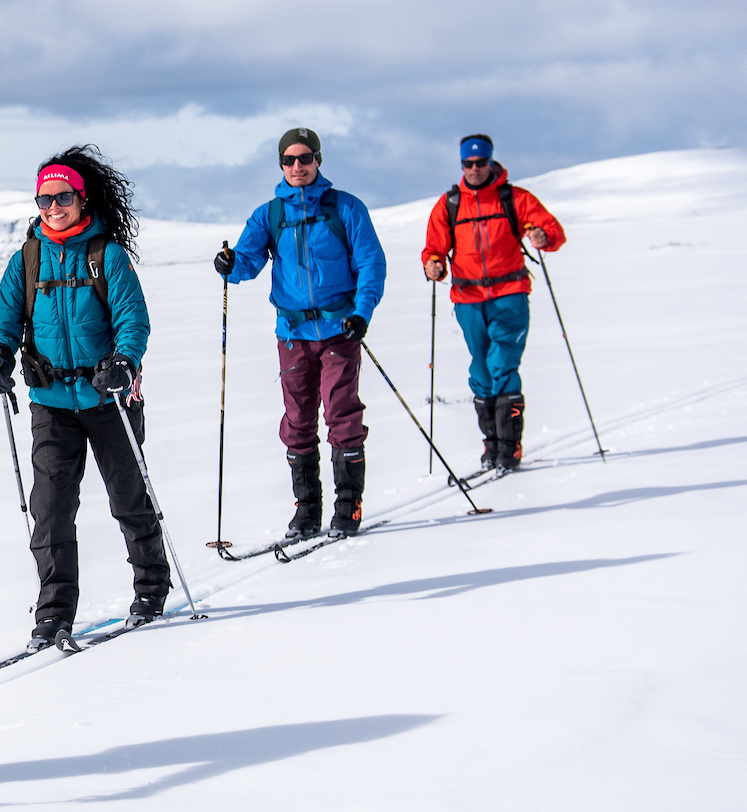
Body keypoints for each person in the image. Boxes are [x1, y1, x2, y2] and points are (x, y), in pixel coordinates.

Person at [0, 146, 166, 651]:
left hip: (110, 401)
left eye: (63, 196)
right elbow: (5, 316)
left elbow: (133, 318)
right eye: (44, 199)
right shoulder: (29, 257)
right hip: (52, 402)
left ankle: (151, 589)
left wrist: (124, 361)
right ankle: (53, 613)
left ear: (82, 200)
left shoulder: (106, 254)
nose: (53, 206)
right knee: (51, 509)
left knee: (128, 499)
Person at [214, 126, 387, 538]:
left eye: (304, 158)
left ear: (318, 161)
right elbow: (247, 261)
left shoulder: (345, 208)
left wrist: (362, 313)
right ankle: (307, 510)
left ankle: (348, 507)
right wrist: (228, 263)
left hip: (338, 327)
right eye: (289, 160)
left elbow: (370, 264)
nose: (297, 166)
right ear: (281, 164)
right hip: (292, 332)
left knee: (341, 411)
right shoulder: (270, 214)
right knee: (298, 418)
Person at [419, 134, 567, 471]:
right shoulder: (450, 204)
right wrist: (433, 264)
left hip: (510, 296)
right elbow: (434, 246)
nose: (474, 169)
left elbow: (551, 230)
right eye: (467, 164)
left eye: (480, 163)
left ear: (490, 162)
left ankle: (510, 447)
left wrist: (543, 237)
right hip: (468, 299)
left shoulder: (515, 198)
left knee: (502, 364)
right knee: (481, 370)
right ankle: (492, 445)